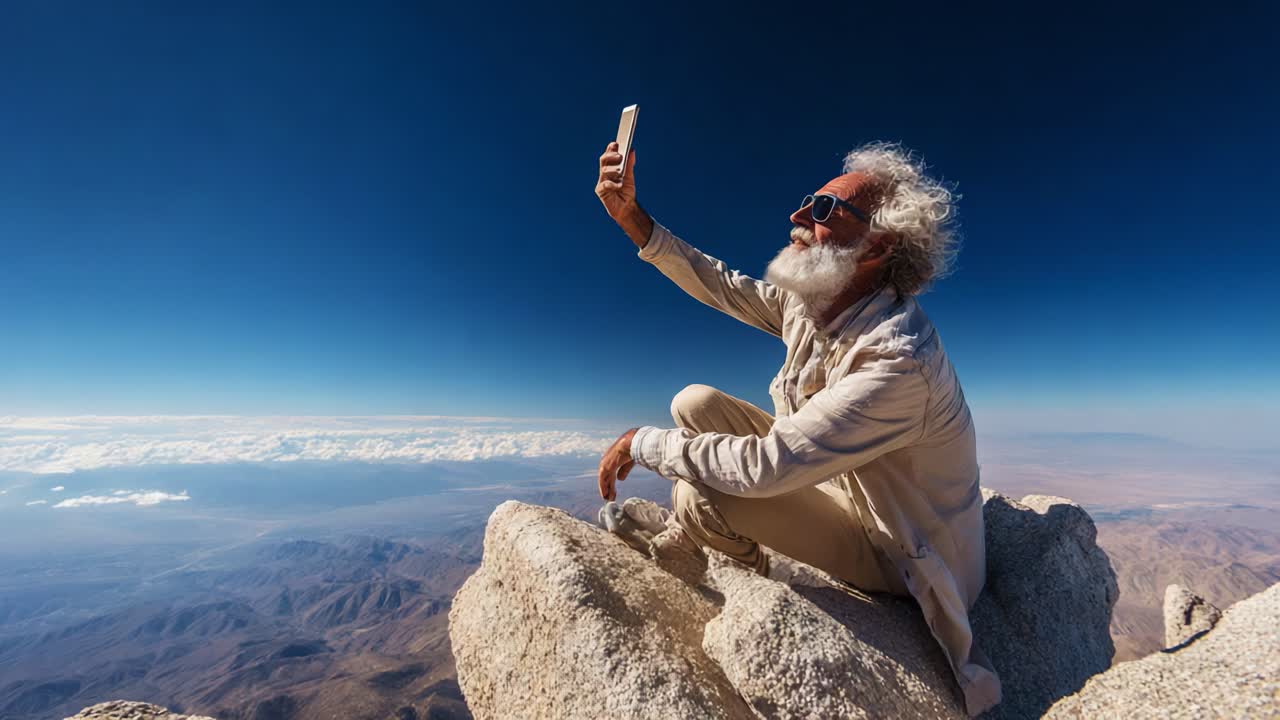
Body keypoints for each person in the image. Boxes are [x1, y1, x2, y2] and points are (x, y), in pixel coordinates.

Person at [592, 138, 1001, 716]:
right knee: (695, 403)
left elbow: (767, 467)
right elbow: (722, 284)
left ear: (879, 245)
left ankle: (748, 576)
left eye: (825, 209)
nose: (798, 216)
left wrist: (643, 443)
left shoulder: (898, 360)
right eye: (808, 201)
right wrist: (634, 220)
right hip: (843, 490)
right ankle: (748, 556)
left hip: (900, 551)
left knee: (698, 489)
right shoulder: (813, 305)